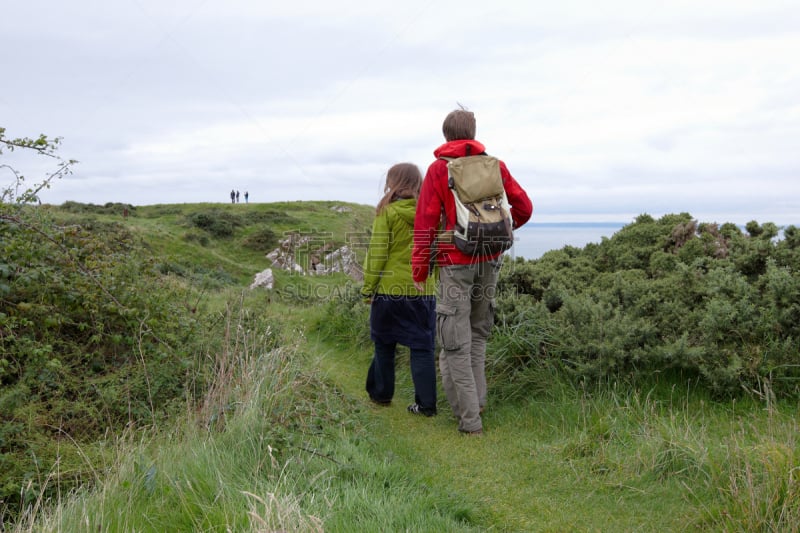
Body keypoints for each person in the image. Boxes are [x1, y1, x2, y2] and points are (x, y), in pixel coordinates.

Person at [412, 107, 533, 435]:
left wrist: (420, 272)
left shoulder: (439, 170)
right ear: (474, 132)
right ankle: (477, 403)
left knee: (454, 342)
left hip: (455, 263)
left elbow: (424, 224)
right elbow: (524, 208)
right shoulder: (495, 165)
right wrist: (496, 232)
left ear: (446, 134)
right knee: (477, 334)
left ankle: (470, 422)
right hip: (490, 260)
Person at [363, 163, 438, 416]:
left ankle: (381, 396)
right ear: (419, 183)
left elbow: (377, 253)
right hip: (423, 290)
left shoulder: (387, 212)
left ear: (393, 183)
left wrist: (367, 289)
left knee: (384, 344)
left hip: (388, 290)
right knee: (422, 347)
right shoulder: (432, 212)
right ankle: (426, 405)